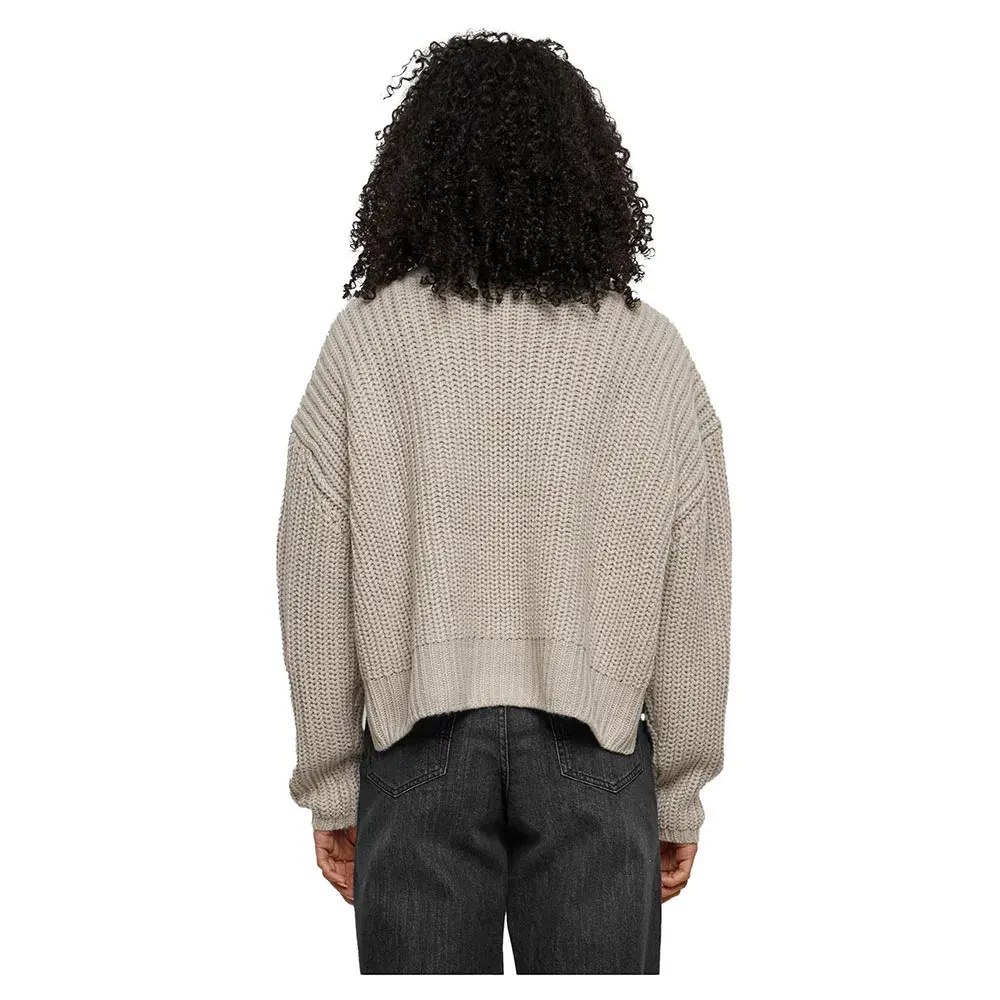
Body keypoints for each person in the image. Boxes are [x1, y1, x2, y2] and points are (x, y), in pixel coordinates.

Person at [275, 29, 733, 975]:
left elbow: (313, 569)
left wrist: (332, 781)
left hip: (418, 749)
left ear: (416, 170)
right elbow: (697, 582)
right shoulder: (647, 352)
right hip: (596, 754)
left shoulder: (367, 342)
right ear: (587, 172)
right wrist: (679, 793)